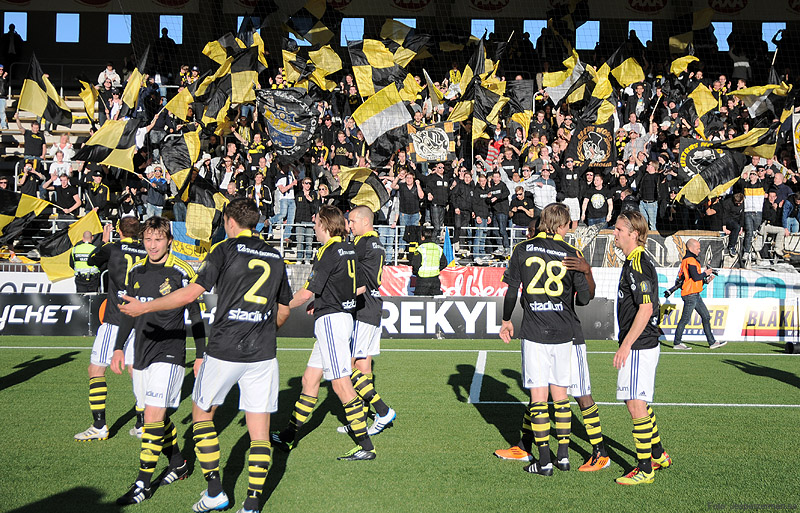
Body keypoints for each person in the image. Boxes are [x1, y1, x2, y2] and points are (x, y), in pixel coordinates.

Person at [119, 198, 292, 513]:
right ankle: (252, 504)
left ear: (229, 221)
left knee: (202, 416)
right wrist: (265, 330)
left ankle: (215, 491)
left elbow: (190, 294)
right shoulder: (275, 255)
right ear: (256, 223)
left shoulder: (224, 250)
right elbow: (283, 311)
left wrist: (143, 306)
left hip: (224, 348)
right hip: (263, 353)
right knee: (260, 431)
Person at [495, 216, 611, 472]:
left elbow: (585, 299)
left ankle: (599, 451)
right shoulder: (556, 251)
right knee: (539, 394)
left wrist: (587, 270)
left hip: (569, 336)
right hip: (552, 332)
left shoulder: (548, 252)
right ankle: (527, 445)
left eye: (532, 228)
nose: (529, 232)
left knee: (579, 393)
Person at [111, 217, 206, 505]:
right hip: (141, 353)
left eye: (158, 239)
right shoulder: (136, 273)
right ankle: (178, 464)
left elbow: (196, 316)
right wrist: (117, 348)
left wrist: (201, 353)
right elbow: (130, 313)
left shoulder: (180, 272)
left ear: (169, 242)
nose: (152, 245)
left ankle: (142, 483)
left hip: (170, 352)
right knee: (157, 417)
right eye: (148, 239)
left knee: (151, 417)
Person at [271, 205, 377, 461]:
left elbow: (306, 292)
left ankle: (366, 446)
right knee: (309, 380)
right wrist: (328, 299)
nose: (315, 229)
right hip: (341, 318)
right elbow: (360, 286)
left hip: (331, 322)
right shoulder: (351, 247)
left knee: (341, 384)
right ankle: (288, 435)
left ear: (326, 225)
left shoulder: (328, 251)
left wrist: (276, 307)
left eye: (317, 224)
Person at [612, 210, 672, 485]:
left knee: (636, 404)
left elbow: (646, 308)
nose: (615, 233)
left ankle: (645, 468)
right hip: (641, 342)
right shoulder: (632, 261)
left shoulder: (638, 263)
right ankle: (658, 454)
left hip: (640, 344)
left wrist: (625, 345)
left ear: (634, 234)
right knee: (635, 401)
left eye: (619, 230)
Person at [73, 218, 147, 441]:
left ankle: (99, 425)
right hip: (141, 317)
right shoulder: (146, 251)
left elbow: (94, 261)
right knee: (137, 371)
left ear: (118, 230)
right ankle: (143, 424)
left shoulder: (111, 248)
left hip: (115, 318)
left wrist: (104, 240)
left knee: (96, 369)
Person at [335, 206, 397, 436]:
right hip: (372, 308)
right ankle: (359, 419)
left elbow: (362, 281)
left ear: (364, 222)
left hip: (363, 309)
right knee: (363, 365)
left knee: (346, 365)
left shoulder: (364, 244)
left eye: (351, 221)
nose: (349, 226)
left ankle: (382, 410)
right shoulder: (376, 243)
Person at [671, 238, 723, 350]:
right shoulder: (690, 260)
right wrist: (705, 273)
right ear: (691, 248)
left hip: (694, 294)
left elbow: (693, 279)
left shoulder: (690, 260)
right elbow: (695, 277)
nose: (699, 250)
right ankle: (677, 343)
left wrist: (706, 280)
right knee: (685, 319)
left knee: (706, 316)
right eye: (698, 248)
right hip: (690, 295)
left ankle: (712, 342)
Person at [411, 226, 447, 296]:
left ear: (423, 237)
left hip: (422, 280)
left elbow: (415, 265)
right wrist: (436, 270)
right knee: (435, 304)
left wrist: (416, 273)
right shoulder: (438, 248)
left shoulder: (420, 249)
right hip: (435, 280)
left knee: (420, 303)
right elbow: (444, 263)